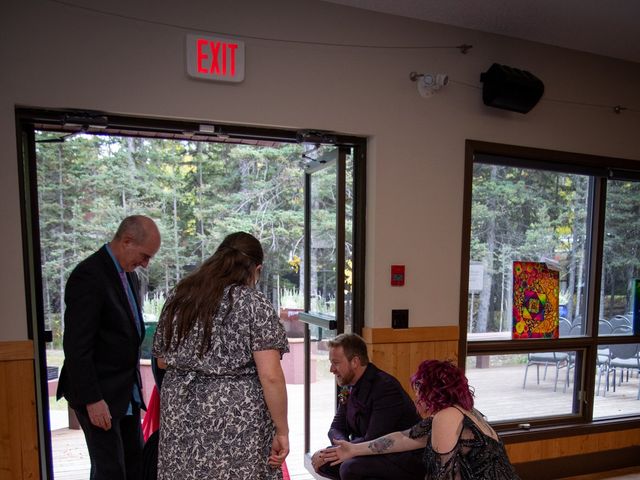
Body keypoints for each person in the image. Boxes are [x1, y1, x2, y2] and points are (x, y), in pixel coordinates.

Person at [152, 231, 289, 480]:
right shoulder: (253, 304)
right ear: (256, 269)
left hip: (181, 409)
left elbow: (162, 359)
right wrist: (282, 430)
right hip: (236, 416)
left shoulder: (180, 295)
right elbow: (270, 375)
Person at [57, 214, 162, 480]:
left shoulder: (129, 276)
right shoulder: (89, 275)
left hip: (123, 391)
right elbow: (77, 346)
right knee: (110, 470)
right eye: (145, 255)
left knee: (133, 464)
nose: (146, 264)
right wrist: (93, 400)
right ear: (127, 241)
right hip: (98, 393)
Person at [320, 359, 521, 480]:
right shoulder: (461, 410)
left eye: (419, 393)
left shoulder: (446, 417)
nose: (417, 400)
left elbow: (444, 476)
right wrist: (354, 449)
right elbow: (402, 438)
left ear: (431, 392)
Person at [311, 333, 425, 480]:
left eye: (336, 363)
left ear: (355, 362)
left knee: (349, 467)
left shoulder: (385, 387)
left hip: (400, 457)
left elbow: (375, 437)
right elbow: (336, 428)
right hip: (367, 450)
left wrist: (343, 450)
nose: (331, 369)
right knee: (325, 462)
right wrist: (341, 447)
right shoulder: (349, 386)